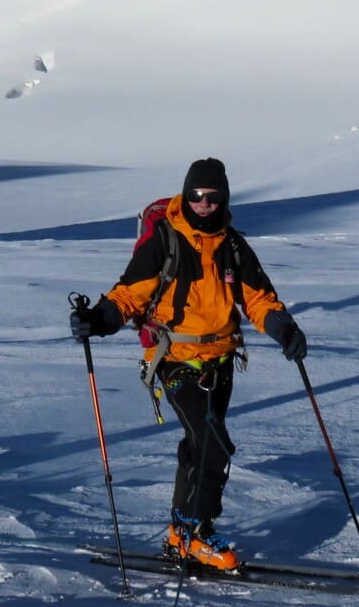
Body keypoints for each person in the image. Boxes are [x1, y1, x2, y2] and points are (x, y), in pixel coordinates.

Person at [69, 157, 306, 572]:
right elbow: (129, 295)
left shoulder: (233, 246)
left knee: (200, 445)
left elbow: (257, 299)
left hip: (221, 361)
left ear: (223, 199)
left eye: (212, 197)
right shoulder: (166, 239)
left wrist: (283, 328)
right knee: (213, 444)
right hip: (175, 358)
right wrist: (98, 319)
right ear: (186, 193)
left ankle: (181, 532)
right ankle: (196, 531)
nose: (203, 204)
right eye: (196, 195)